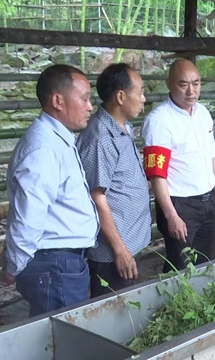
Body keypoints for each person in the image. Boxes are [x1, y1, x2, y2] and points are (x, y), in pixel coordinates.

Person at [0, 64, 100, 318]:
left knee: (58, 336)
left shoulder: (57, 138)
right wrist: (15, 264)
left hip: (60, 262)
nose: (90, 106)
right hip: (54, 264)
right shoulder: (44, 147)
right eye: (85, 98)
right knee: (61, 340)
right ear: (57, 101)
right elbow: (28, 214)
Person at [141, 59, 215, 273]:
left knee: (203, 262)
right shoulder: (159, 121)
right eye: (183, 84)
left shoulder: (203, 113)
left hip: (207, 200)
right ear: (169, 83)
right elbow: (156, 175)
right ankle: (173, 305)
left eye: (196, 84)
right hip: (180, 205)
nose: (191, 91)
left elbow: (212, 156)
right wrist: (171, 215)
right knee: (178, 267)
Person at [76, 63, 152, 298]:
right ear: (121, 96)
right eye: (139, 92)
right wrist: (119, 250)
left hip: (128, 241)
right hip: (113, 252)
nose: (143, 98)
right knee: (114, 311)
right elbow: (96, 197)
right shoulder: (100, 137)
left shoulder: (123, 126)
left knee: (128, 304)